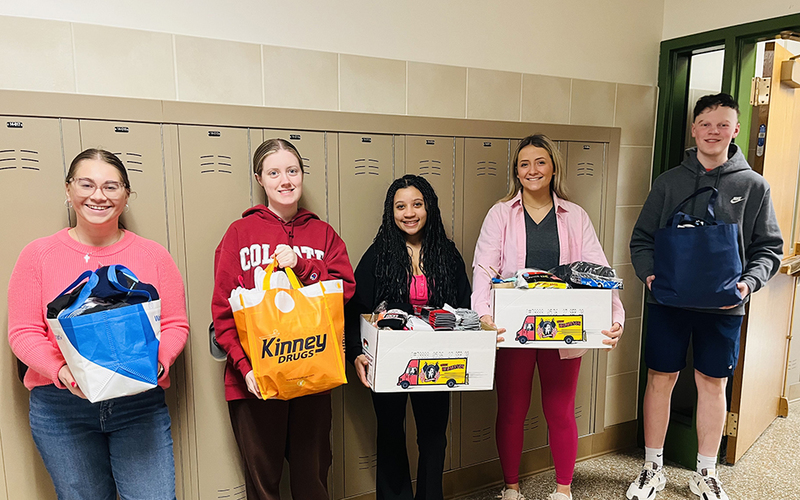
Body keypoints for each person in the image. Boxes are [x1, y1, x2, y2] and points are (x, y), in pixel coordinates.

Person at [7, 148, 189, 500]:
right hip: (62, 408)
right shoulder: (37, 255)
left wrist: (158, 361)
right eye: (86, 184)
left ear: (126, 194)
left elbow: (176, 324)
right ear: (69, 190)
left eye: (111, 186)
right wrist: (61, 371)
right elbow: (23, 332)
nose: (98, 196)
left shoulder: (154, 255)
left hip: (138, 402)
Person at [627, 93, 782, 500]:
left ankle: (706, 472)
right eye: (706, 124)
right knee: (660, 380)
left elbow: (770, 248)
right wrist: (649, 277)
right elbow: (642, 238)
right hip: (668, 303)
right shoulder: (669, 182)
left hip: (725, 307)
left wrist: (748, 284)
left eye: (723, 124)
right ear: (694, 129)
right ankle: (652, 468)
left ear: (735, 130)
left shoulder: (753, 186)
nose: (714, 132)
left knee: (713, 385)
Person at [472, 134, 625, 500]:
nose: (532, 170)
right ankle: (511, 489)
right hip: (514, 330)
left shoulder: (575, 216)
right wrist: (484, 316)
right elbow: (483, 267)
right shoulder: (501, 214)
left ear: (553, 167)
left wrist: (615, 315)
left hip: (564, 330)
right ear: (516, 171)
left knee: (560, 410)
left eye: (540, 162)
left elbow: (599, 269)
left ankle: (562, 490)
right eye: (524, 164)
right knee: (511, 410)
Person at [212, 138, 355, 500]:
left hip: (313, 375)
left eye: (292, 171)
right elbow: (223, 311)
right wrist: (245, 368)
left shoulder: (322, 234)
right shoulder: (239, 234)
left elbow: (346, 290)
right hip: (256, 379)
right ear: (260, 179)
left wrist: (304, 266)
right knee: (264, 485)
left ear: (302, 175)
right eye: (274, 172)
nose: (285, 180)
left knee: (313, 479)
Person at [345, 174, 471, 500]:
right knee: (390, 434)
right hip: (389, 360)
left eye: (417, 204)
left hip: (436, 358)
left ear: (429, 207)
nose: (409, 213)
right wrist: (357, 353)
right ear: (392, 211)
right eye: (401, 206)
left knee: (433, 439)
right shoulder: (379, 254)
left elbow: (464, 306)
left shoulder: (446, 254)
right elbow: (355, 308)